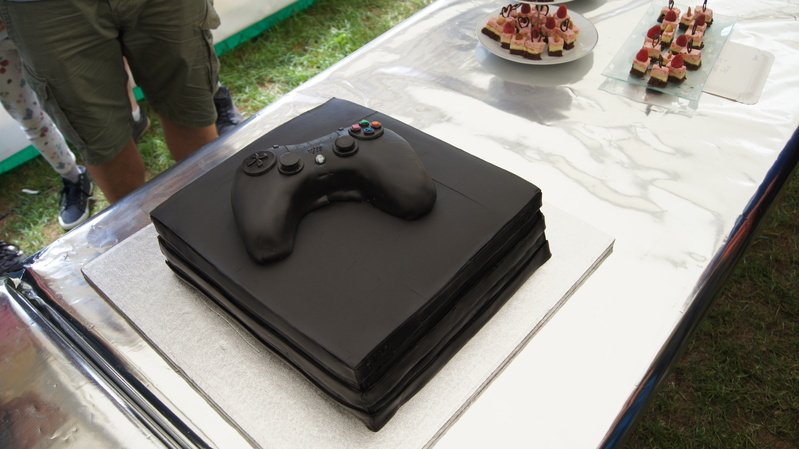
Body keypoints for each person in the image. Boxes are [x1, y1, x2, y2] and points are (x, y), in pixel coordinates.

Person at [0, 0, 223, 204]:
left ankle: (213, 210)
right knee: (104, 145)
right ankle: (142, 232)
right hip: (42, 9)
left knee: (191, 113)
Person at [0, 18, 92, 230]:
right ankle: (73, 177)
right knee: (29, 117)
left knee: (76, 87)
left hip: (27, 14)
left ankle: (113, 150)